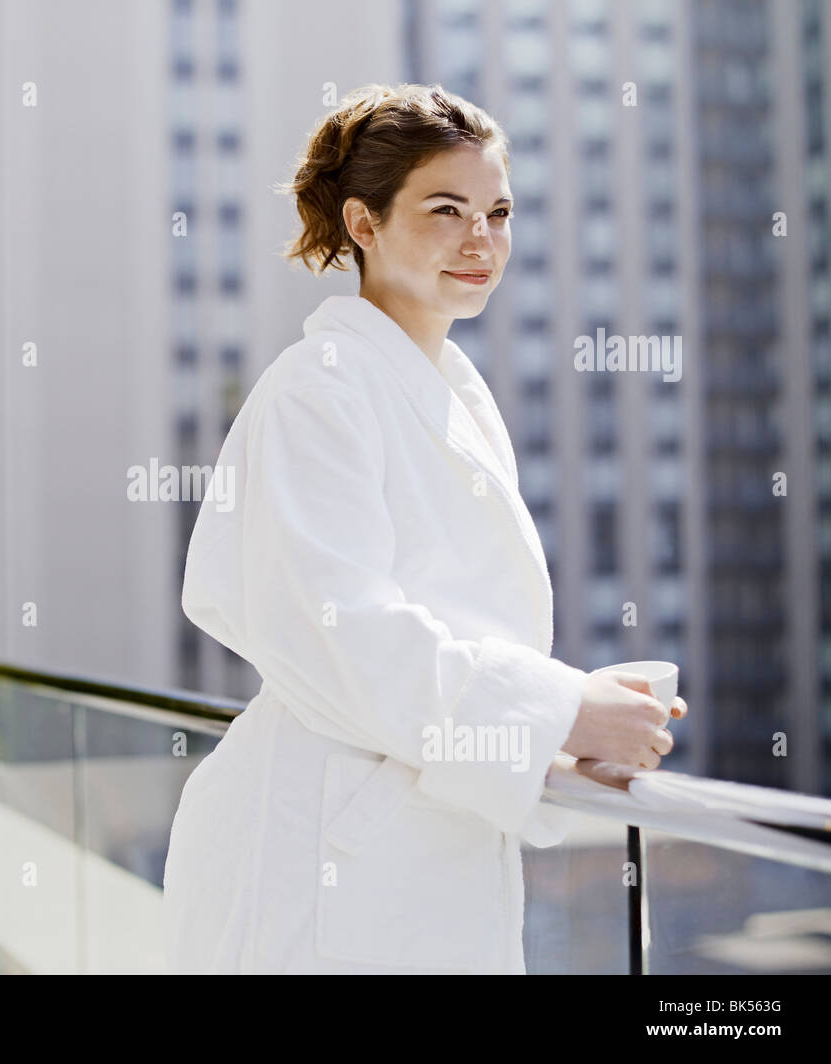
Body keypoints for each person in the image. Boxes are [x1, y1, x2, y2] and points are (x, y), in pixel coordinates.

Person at [161, 83, 689, 975]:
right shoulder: (318, 390)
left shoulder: (453, 392)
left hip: (427, 840)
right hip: (318, 853)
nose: (480, 239)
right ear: (362, 224)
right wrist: (560, 709)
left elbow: (445, 623)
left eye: (498, 211)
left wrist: (562, 729)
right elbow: (346, 634)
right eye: (446, 210)